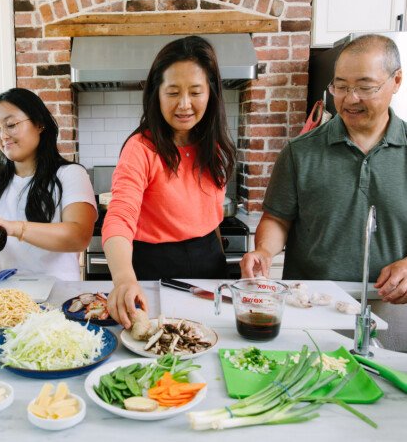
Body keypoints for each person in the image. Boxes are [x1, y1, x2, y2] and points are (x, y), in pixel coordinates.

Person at [240, 34, 407, 347]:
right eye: (340, 86)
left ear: (396, 80)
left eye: (365, 86)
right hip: (310, 308)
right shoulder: (300, 152)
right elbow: (277, 220)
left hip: (394, 310)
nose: (350, 98)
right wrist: (263, 251)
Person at [102, 36, 236, 328]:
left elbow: (211, 221)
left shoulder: (215, 148)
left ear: (211, 93)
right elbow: (120, 215)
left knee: (209, 342)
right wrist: (124, 279)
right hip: (153, 266)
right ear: (157, 94)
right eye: (173, 92)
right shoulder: (141, 148)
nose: (184, 104)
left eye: (196, 92)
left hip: (210, 263)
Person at [0, 88, 96, 286]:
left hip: (60, 295)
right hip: (5, 299)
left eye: (11, 125)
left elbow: (78, 237)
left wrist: (15, 228)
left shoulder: (70, 174)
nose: (2, 135)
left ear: (39, 124)